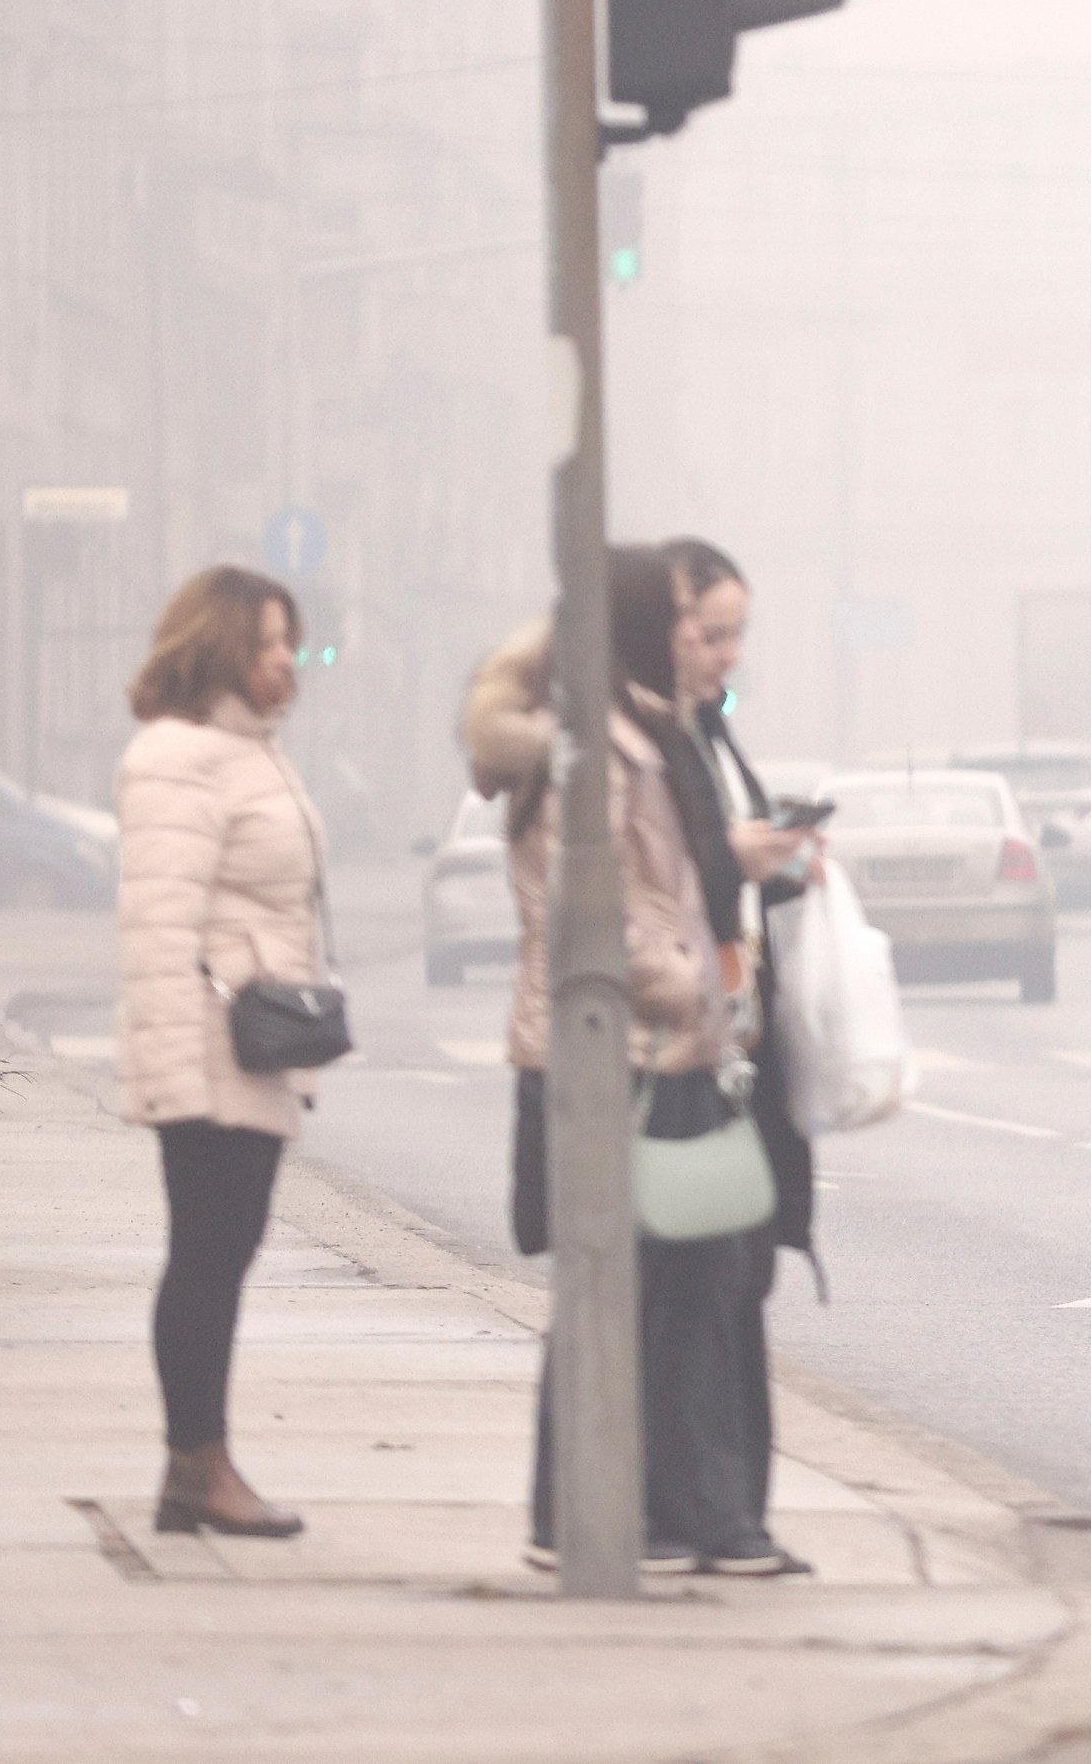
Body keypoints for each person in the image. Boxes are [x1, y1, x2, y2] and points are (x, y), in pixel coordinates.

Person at [463, 547, 801, 1577]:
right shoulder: (600, 748)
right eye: (684, 622)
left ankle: (649, 1512)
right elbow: (593, 913)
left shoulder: (634, 734)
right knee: (637, 1284)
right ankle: (617, 1515)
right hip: (628, 1050)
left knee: (667, 1282)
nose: (701, 645)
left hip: (659, 1044)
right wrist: (697, 980)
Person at [111, 567, 327, 1542]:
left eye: (290, 640)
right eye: (270, 641)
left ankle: (194, 1466)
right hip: (208, 1048)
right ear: (223, 646)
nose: (288, 659)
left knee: (221, 1257)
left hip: (253, 1045)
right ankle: (200, 1464)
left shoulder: (248, 751)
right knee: (205, 1258)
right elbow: (158, 929)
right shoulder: (180, 756)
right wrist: (170, 1078)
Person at [661, 534, 820, 1549]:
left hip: (730, 1041)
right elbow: (652, 889)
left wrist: (777, 859)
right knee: (696, 1288)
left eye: (737, 636)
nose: (727, 657)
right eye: (710, 634)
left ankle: (720, 1512)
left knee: (729, 1281)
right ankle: (705, 1514)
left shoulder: (705, 733)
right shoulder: (647, 741)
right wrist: (735, 859)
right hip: (678, 1047)